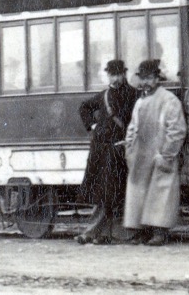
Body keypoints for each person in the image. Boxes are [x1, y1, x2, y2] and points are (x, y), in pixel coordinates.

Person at [123, 60, 187, 246]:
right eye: (142, 79)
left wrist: (166, 154)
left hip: (160, 153)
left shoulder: (169, 100)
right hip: (140, 154)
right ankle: (141, 231)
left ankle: (160, 232)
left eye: (149, 78)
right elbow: (132, 128)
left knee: (160, 194)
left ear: (157, 79)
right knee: (139, 194)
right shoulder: (140, 102)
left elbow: (176, 130)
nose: (145, 83)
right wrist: (130, 150)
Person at [75, 59, 138, 245]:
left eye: (118, 74)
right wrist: (92, 125)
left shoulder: (134, 95)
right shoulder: (104, 96)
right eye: (112, 74)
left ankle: (94, 232)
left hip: (119, 149)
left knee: (112, 194)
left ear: (124, 74)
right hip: (101, 150)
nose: (115, 77)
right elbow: (84, 108)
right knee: (103, 193)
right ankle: (100, 234)